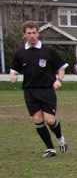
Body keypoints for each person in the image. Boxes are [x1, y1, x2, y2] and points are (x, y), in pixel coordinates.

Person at [9, 21, 70, 158]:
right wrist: (13, 75)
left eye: (34, 32)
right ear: (24, 35)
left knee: (50, 120)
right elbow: (14, 69)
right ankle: (50, 149)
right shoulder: (20, 53)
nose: (32, 35)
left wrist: (59, 80)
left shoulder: (48, 51)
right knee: (37, 119)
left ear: (38, 33)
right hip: (29, 91)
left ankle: (61, 139)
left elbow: (61, 68)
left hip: (47, 90)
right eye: (29, 33)